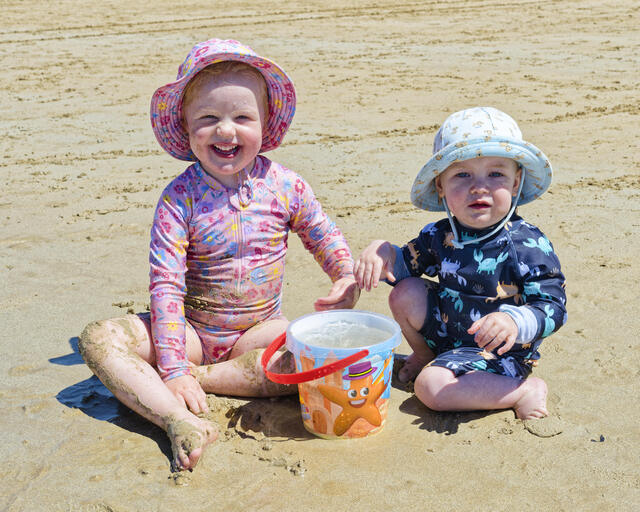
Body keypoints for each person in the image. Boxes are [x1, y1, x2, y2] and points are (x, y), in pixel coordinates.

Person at [78, 38, 359, 471]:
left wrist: (344, 274)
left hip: (259, 331)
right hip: (190, 331)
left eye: (242, 117)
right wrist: (173, 366)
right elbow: (166, 286)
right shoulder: (179, 199)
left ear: (265, 123)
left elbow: (322, 234)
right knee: (98, 338)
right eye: (208, 119)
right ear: (186, 128)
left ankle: (206, 380)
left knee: (318, 355)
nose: (226, 131)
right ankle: (177, 419)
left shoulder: (286, 186)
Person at [354, 107, 566, 420]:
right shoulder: (439, 234)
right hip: (448, 331)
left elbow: (553, 306)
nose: (479, 187)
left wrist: (515, 322)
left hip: (499, 351)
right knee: (405, 292)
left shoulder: (526, 244)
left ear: (516, 182)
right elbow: (404, 267)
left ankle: (523, 390)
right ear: (440, 186)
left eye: (496, 174)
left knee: (430, 387)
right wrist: (381, 251)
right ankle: (426, 355)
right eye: (462, 175)